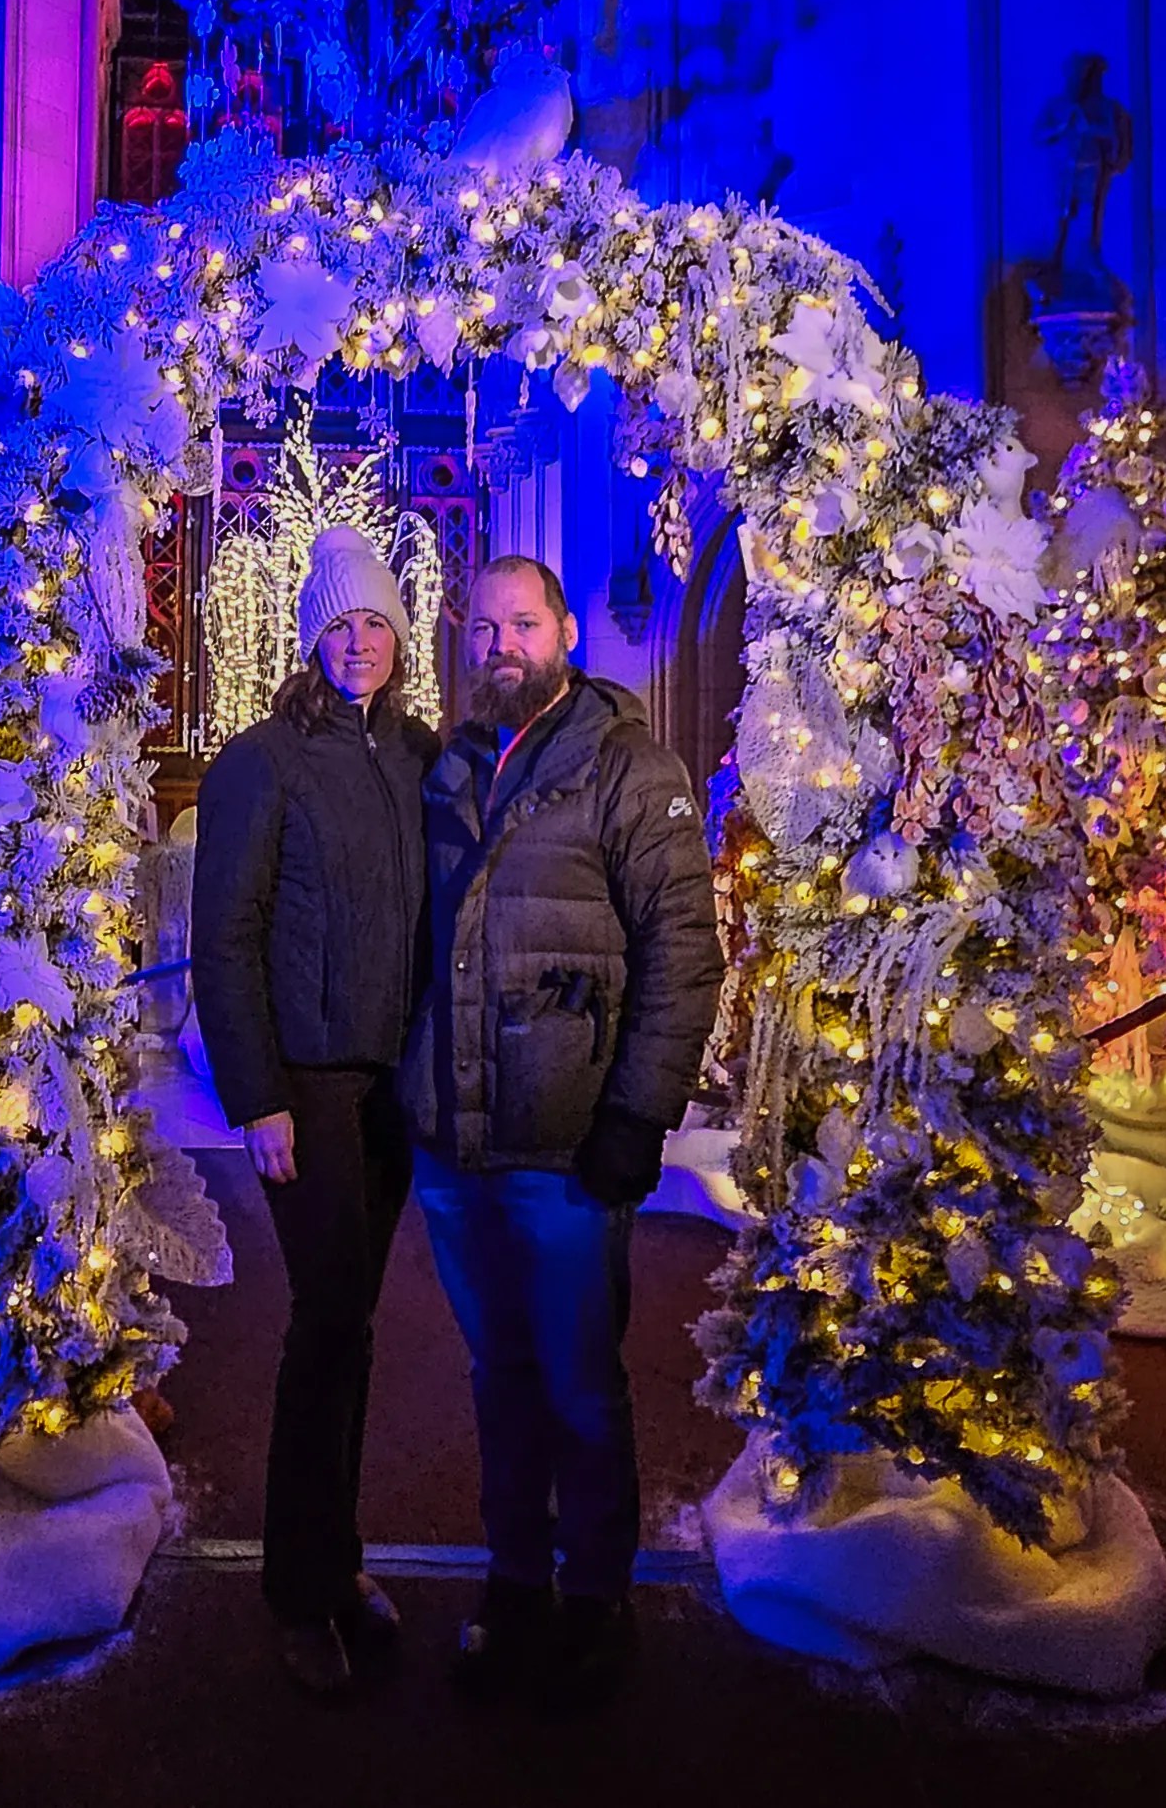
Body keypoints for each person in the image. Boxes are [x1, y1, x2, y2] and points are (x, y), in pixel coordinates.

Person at [398, 555, 723, 1710]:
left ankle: (594, 1594)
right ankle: (513, 1580)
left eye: (520, 623)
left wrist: (636, 1113)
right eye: (482, 626)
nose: (500, 644)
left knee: (580, 1384)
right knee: (499, 1376)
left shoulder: (629, 769)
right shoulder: (447, 770)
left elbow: (684, 951)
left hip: (566, 1144)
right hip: (456, 1146)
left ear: (565, 631)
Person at [192, 526, 439, 1696]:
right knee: (326, 1317)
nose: (357, 643)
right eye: (337, 624)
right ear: (309, 636)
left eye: (374, 622)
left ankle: (334, 1564)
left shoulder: (419, 756)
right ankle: (298, 1590)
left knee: (354, 1324)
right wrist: (257, 1097)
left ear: (402, 634)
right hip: (309, 1086)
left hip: (392, 1085)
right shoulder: (261, 761)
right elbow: (224, 939)